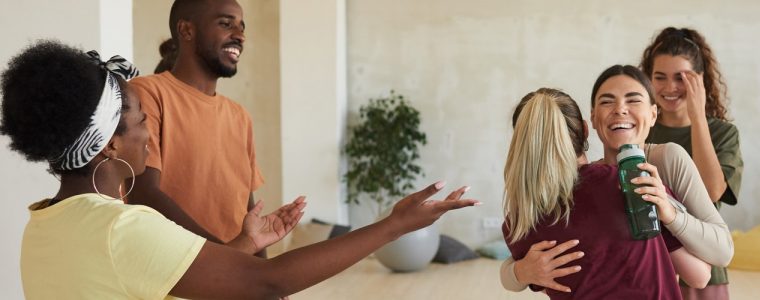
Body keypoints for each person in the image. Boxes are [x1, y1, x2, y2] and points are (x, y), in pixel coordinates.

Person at [1, 40, 478, 299]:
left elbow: (156, 278)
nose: (150, 134)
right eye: (142, 121)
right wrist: (394, 225)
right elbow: (268, 284)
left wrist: (246, 244)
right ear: (106, 145)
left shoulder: (41, 225)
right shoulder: (119, 228)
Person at [499, 65, 735, 293]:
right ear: (588, 124)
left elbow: (718, 257)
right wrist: (520, 272)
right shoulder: (619, 184)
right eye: (607, 101)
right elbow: (699, 274)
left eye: (633, 100)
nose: (620, 109)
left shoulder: (521, 219)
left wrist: (668, 211)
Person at [127, 0, 279, 247]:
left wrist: (258, 269)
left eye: (242, 27)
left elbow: (245, 208)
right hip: (173, 274)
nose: (240, 36)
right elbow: (142, 194)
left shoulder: (240, 116)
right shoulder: (147, 92)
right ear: (187, 30)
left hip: (234, 271)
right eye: (225, 23)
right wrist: (224, 256)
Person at [640, 26, 744, 299]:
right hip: (647, 268)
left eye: (681, 78)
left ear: (699, 80)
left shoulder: (723, 134)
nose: (670, 87)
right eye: (659, 77)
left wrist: (698, 117)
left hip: (704, 272)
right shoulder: (640, 132)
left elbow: (711, 194)